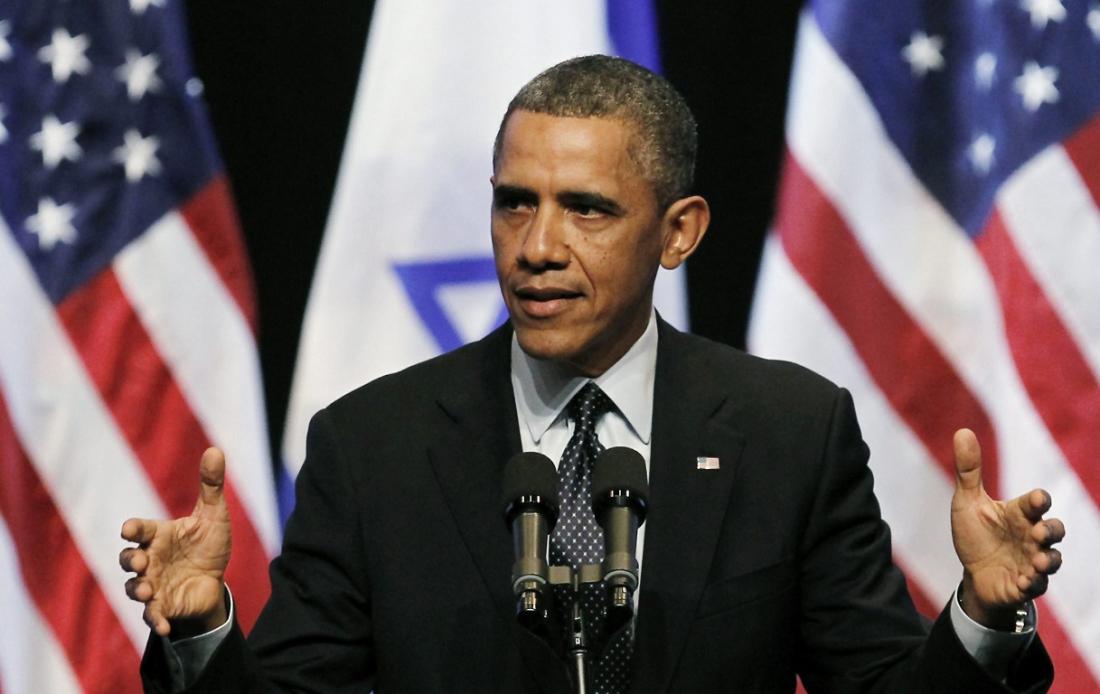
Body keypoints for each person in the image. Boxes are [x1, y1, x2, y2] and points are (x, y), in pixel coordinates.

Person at [120, 55, 1064, 693]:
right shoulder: (373, 447)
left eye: (587, 209)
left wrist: (982, 615)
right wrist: (202, 632)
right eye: (515, 204)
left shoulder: (789, 433)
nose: (537, 246)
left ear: (679, 232)